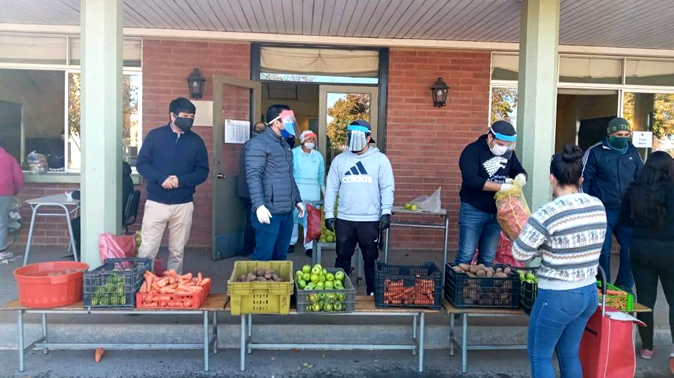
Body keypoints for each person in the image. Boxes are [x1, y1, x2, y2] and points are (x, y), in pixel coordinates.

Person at [513, 144, 607, 378]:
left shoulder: (547, 213)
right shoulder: (598, 206)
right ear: (581, 178)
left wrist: (541, 248)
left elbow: (520, 254)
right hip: (588, 293)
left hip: (557, 295)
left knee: (540, 354)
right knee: (569, 353)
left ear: (551, 178)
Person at [136, 97, 209, 274]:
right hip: (156, 202)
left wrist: (181, 181)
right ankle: (142, 285)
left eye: (192, 116)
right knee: (147, 250)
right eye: (185, 115)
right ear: (172, 115)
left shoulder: (196, 141)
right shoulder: (155, 136)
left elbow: (202, 171)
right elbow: (142, 164)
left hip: (183, 204)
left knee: (177, 252)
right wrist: (161, 178)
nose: (189, 119)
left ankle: (173, 284)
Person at [324, 120, 394, 296]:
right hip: (345, 219)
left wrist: (386, 211)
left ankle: (372, 292)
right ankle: (339, 293)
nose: (352, 140)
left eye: (357, 137)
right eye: (350, 136)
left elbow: (387, 186)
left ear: (368, 137)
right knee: (342, 259)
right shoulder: (340, 160)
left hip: (369, 220)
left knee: (370, 259)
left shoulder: (380, 160)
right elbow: (331, 188)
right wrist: (328, 213)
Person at [618, 151, 674, 368]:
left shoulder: (634, 190)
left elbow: (624, 221)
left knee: (645, 300)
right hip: (670, 250)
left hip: (641, 249)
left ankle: (647, 347)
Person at [582, 117, 643, 291]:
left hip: (627, 211)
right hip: (602, 209)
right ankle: (603, 285)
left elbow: (641, 180)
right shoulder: (595, 152)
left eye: (626, 134)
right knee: (604, 249)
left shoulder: (633, 152)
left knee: (631, 248)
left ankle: (624, 285)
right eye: (619, 134)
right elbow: (584, 182)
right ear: (610, 134)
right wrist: (587, 208)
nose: (623, 138)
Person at [456, 120, 527, 266]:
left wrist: (521, 178)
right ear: (490, 138)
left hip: (496, 213)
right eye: (500, 144)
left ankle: (483, 288)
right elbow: (471, 180)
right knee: (466, 254)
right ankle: (459, 287)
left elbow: (519, 170)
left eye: (508, 146)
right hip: (473, 209)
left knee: (488, 257)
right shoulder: (472, 151)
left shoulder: (509, 154)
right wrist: (500, 187)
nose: (504, 149)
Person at [246, 104, 304, 261]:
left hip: (286, 211)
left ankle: (278, 286)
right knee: (263, 257)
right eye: (288, 120)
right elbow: (253, 176)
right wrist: (259, 205)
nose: (291, 123)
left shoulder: (284, 145)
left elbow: (288, 176)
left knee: (280, 256)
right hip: (269, 212)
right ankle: (260, 286)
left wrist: (297, 200)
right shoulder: (258, 144)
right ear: (277, 122)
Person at [71, 161, 134, 254]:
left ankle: (81, 251)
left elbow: (98, 197)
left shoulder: (115, 182)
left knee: (76, 223)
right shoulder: (126, 180)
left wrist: (77, 194)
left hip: (112, 215)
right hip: (121, 214)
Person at [289, 130, 325, 257]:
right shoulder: (293, 154)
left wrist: (324, 193)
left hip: (313, 193)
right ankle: (290, 242)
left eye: (313, 140)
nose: (311, 142)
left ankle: (309, 246)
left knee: (310, 220)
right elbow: (289, 174)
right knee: (292, 218)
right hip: (296, 191)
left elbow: (321, 177)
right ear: (303, 140)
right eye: (309, 139)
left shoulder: (318, 156)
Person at [238, 121, 267, 256]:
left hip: (244, 190)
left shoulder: (246, 145)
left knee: (249, 220)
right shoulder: (261, 146)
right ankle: (253, 249)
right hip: (256, 191)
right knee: (257, 222)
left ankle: (246, 249)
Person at [0, 145, 24, 257]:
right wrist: (15, 191)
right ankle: (1, 251)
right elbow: (18, 178)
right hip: (5, 193)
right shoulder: (9, 158)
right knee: (2, 221)